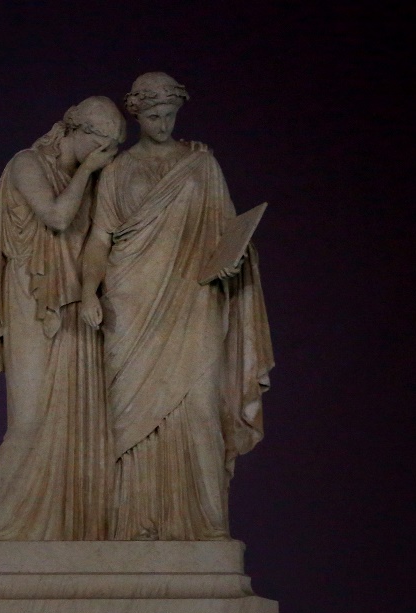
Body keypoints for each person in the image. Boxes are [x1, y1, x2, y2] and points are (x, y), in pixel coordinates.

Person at [81, 73, 274, 541]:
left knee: (199, 408)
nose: (162, 123)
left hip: (193, 301)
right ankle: (132, 524)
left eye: (169, 115)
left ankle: (203, 525)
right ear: (137, 115)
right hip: (130, 302)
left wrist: (232, 260)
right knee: (128, 417)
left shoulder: (201, 167)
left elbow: (227, 233)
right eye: (153, 116)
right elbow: (99, 239)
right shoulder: (118, 171)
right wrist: (88, 292)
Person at [0, 96, 126, 540]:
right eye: (103, 144)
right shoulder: (27, 164)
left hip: (75, 308)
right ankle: (12, 532)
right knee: (29, 419)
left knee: (79, 420)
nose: (108, 155)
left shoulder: (91, 179)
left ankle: (71, 527)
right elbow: (57, 217)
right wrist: (87, 171)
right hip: (33, 300)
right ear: (78, 132)